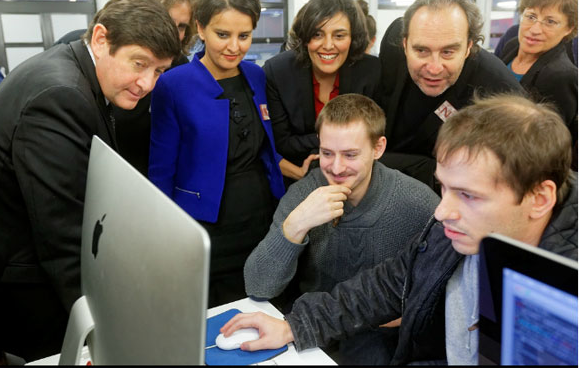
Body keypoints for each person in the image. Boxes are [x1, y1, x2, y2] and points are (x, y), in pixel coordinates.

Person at [221, 93, 578, 365]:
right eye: (444, 187)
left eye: (468, 195)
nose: (441, 211)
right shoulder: (453, 229)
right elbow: (385, 286)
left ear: (538, 198)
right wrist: (294, 327)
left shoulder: (564, 296)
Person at [0, 0, 180, 362]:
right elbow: (62, 232)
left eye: (159, 71)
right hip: (18, 279)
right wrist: (104, 328)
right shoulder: (60, 96)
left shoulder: (72, 70)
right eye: (140, 64)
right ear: (102, 39)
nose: (147, 83)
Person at [148, 0, 308, 308]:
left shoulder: (256, 75)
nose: (234, 47)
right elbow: (161, 172)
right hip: (206, 229)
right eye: (223, 35)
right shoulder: (173, 85)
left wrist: (302, 173)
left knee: (266, 307)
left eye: (244, 35)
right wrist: (161, 239)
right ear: (200, 27)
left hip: (263, 220)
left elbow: (264, 151)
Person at [244, 93, 439, 364]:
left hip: (379, 338)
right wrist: (295, 226)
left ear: (378, 148)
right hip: (309, 328)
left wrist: (409, 312)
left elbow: (441, 291)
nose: (336, 167)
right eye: (326, 153)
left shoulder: (417, 202)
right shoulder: (304, 194)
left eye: (350, 155)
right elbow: (257, 285)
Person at [378, 0, 523, 192]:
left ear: (468, 48)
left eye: (448, 52)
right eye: (421, 51)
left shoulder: (500, 92)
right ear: (404, 44)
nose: (434, 68)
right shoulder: (393, 43)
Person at [53, 0, 197, 176]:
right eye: (163, 18)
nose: (170, 33)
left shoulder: (179, 68)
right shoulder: (78, 50)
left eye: (181, 26)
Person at [263, 0, 382, 186]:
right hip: (296, 181)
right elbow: (282, 143)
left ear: (353, 38)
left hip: (358, 179)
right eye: (317, 34)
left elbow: (373, 137)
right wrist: (344, 140)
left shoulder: (371, 70)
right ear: (305, 37)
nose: (328, 45)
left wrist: (316, 142)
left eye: (339, 35)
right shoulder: (278, 71)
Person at [497, 0, 577, 145]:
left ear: (569, 28)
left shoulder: (562, 76)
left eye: (550, 21)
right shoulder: (512, 46)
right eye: (531, 16)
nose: (534, 29)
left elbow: (549, 144)